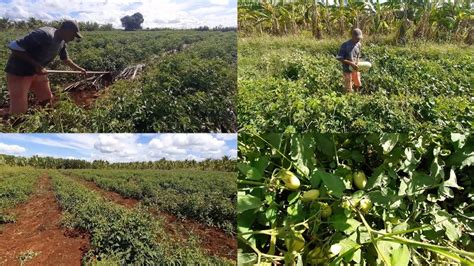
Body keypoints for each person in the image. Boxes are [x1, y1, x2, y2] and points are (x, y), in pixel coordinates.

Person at [4, 20, 87, 115]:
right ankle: (16, 126)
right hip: (19, 72)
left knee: (47, 99)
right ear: (65, 30)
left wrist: (79, 69)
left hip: (37, 72)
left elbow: (65, 59)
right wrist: (36, 65)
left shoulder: (62, 42)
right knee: (19, 108)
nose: (73, 38)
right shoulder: (44, 34)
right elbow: (14, 47)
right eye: (72, 35)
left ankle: (47, 121)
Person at [337, 28, 363, 93]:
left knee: (357, 83)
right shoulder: (345, 45)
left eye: (359, 38)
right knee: (348, 86)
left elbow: (358, 56)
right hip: (347, 69)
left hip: (355, 68)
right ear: (352, 36)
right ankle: (349, 98)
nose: (358, 40)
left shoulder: (359, 44)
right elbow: (339, 58)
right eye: (357, 38)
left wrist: (357, 62)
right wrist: (351, 63)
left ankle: (356, 96)